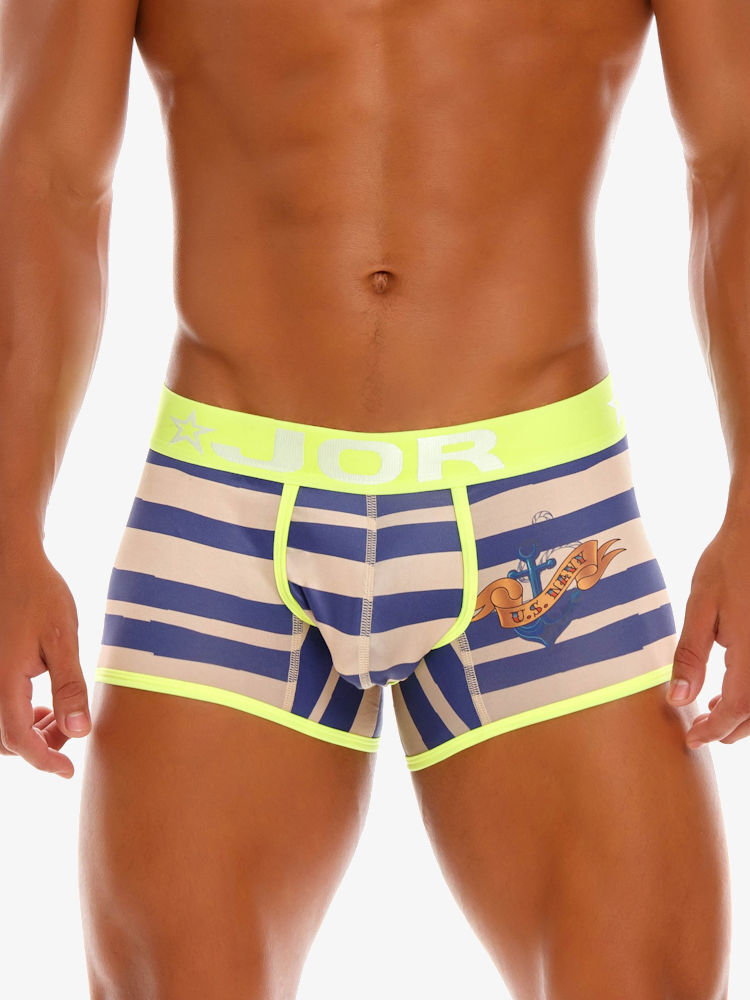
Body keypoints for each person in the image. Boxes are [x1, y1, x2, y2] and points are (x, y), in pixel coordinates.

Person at [0, 0, 743, 996]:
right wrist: (9, 521)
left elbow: (734, 159)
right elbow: (48, 176)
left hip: (540, 509)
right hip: (230, 510)